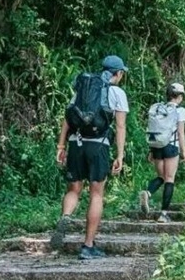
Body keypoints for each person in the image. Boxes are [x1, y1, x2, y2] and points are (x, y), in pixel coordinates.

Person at [52, 55, 128, 260]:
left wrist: (61, 145)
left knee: (74, 189)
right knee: (96, 194)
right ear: (118, 73)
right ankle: (88, 246)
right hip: (98, 146)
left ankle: (66, 217)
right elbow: (120, 126)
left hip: (76, 144)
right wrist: (120, 155)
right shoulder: (116, 92)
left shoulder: (84, 88)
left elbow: (67, 119)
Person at [139, 82, 185, 222]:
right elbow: (181, 133)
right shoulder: (180, 111)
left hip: (156, 147)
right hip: (171, 146)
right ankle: (163, 214)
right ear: (179, 96)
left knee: (161, 176)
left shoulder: (158, 108)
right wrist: (184, 152)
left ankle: (148, 193)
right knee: (169, 179)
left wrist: (151, 150)